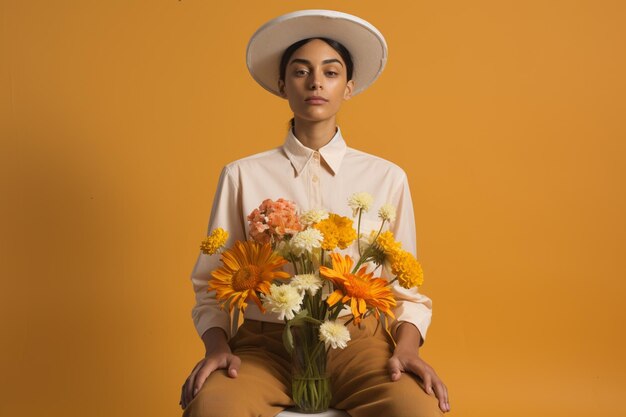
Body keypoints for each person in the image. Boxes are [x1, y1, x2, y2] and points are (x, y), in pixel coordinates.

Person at [180, 10, 450, 417]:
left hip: (359, 345)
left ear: (349, 87)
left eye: (331, 72)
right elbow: (211, 281)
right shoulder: (242, 175)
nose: (316, 82)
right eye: (301, 71)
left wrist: (408, 349)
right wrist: (217, 347)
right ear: (282, 84)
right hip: (265, 347)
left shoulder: (386, 177)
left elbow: (405, 290)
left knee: (418, 411)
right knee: (211, 408)